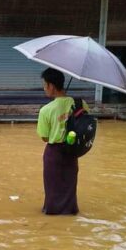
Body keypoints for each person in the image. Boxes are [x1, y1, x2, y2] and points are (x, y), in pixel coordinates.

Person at [37, 68, 88, 215]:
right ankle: (70, 213)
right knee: (69, 186)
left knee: (52, 188)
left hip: (54, 153)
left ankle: (52, 214)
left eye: (45, 85)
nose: (44, 88)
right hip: (72, 152)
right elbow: (84, 125)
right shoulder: (80, 104)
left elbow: (44, 137)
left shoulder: (46, 110)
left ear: (51, 86)